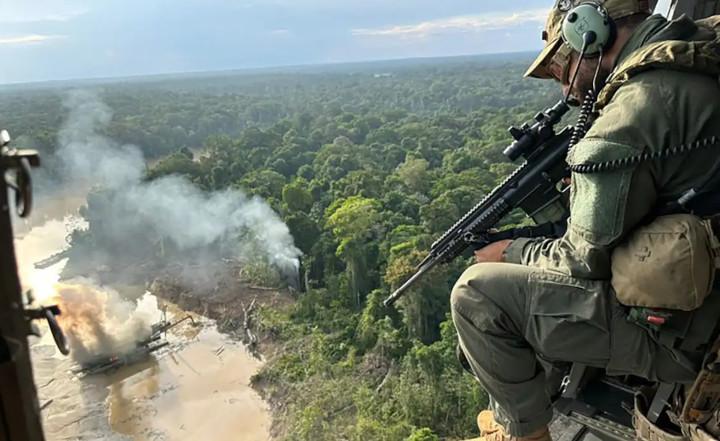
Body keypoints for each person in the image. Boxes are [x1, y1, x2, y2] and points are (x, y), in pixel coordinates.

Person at [451, 1, 720, 440]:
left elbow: (581, 260)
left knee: (478, 296)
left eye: (562, 66)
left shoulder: (635, 110)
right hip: (705, 294)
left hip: (691, 335)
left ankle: (522, 433)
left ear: (590, 33)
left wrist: (509, 251)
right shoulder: (697, 56)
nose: (565, 89)